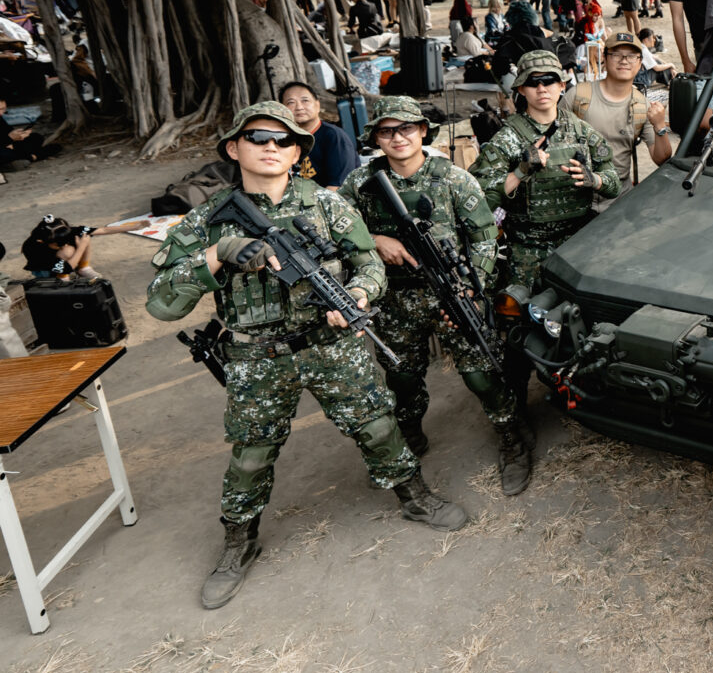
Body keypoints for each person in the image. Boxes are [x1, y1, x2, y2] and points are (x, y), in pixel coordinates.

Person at [145, 102, 467, 610]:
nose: (272, 148)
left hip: (330, 344)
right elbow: (162, 302)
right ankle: (238, 543)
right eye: (258, 138)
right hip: (257, 356)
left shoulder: (327, 205)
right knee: (251, 454)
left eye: (284, 140)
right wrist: (218, 254)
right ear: (234, 148)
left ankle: (415, 496)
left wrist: (358, 296)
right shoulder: (208, 219)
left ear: (298, 152)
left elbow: (368, 264)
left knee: (377, 425)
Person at [338, 97, 529, 493]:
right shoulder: (359, 184)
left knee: (481, 373)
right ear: (375, 137)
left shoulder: (454, 179)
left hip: (452, 292)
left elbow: (483, 237)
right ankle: (410, 435)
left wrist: (471, 287)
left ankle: (511, 438)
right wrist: (374, 240)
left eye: (406, 128)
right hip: (394, 298)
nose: (398, 138)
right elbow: (337, 231)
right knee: (402, 376)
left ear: (423, 131)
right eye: (387, 131)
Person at [471, 49, 620, 296]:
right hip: (528, 250)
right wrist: (520, 172)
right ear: (521, 89)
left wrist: (594, 180)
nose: (542, 89)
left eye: (549, 80)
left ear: (562, 84)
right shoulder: (508, 139)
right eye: (532, 82)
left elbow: (614, 184)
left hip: (577, 247)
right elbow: (480, 200)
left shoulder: (581, 131)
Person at [559, 31, 671, 191]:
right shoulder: (578, 95)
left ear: (640, 63)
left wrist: (660, 126)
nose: (624, 61)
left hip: (618, 199)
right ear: (604, 58)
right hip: (577, 195)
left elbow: (661, 159)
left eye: (632, 56)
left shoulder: (642, 106)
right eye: (616, 54)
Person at [280, 81, 358, 190]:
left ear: (317, 105)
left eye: (305, 101)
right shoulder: (283, 139)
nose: (299, 107)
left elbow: (339, 187)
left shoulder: (334, 136)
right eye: (291, 102)